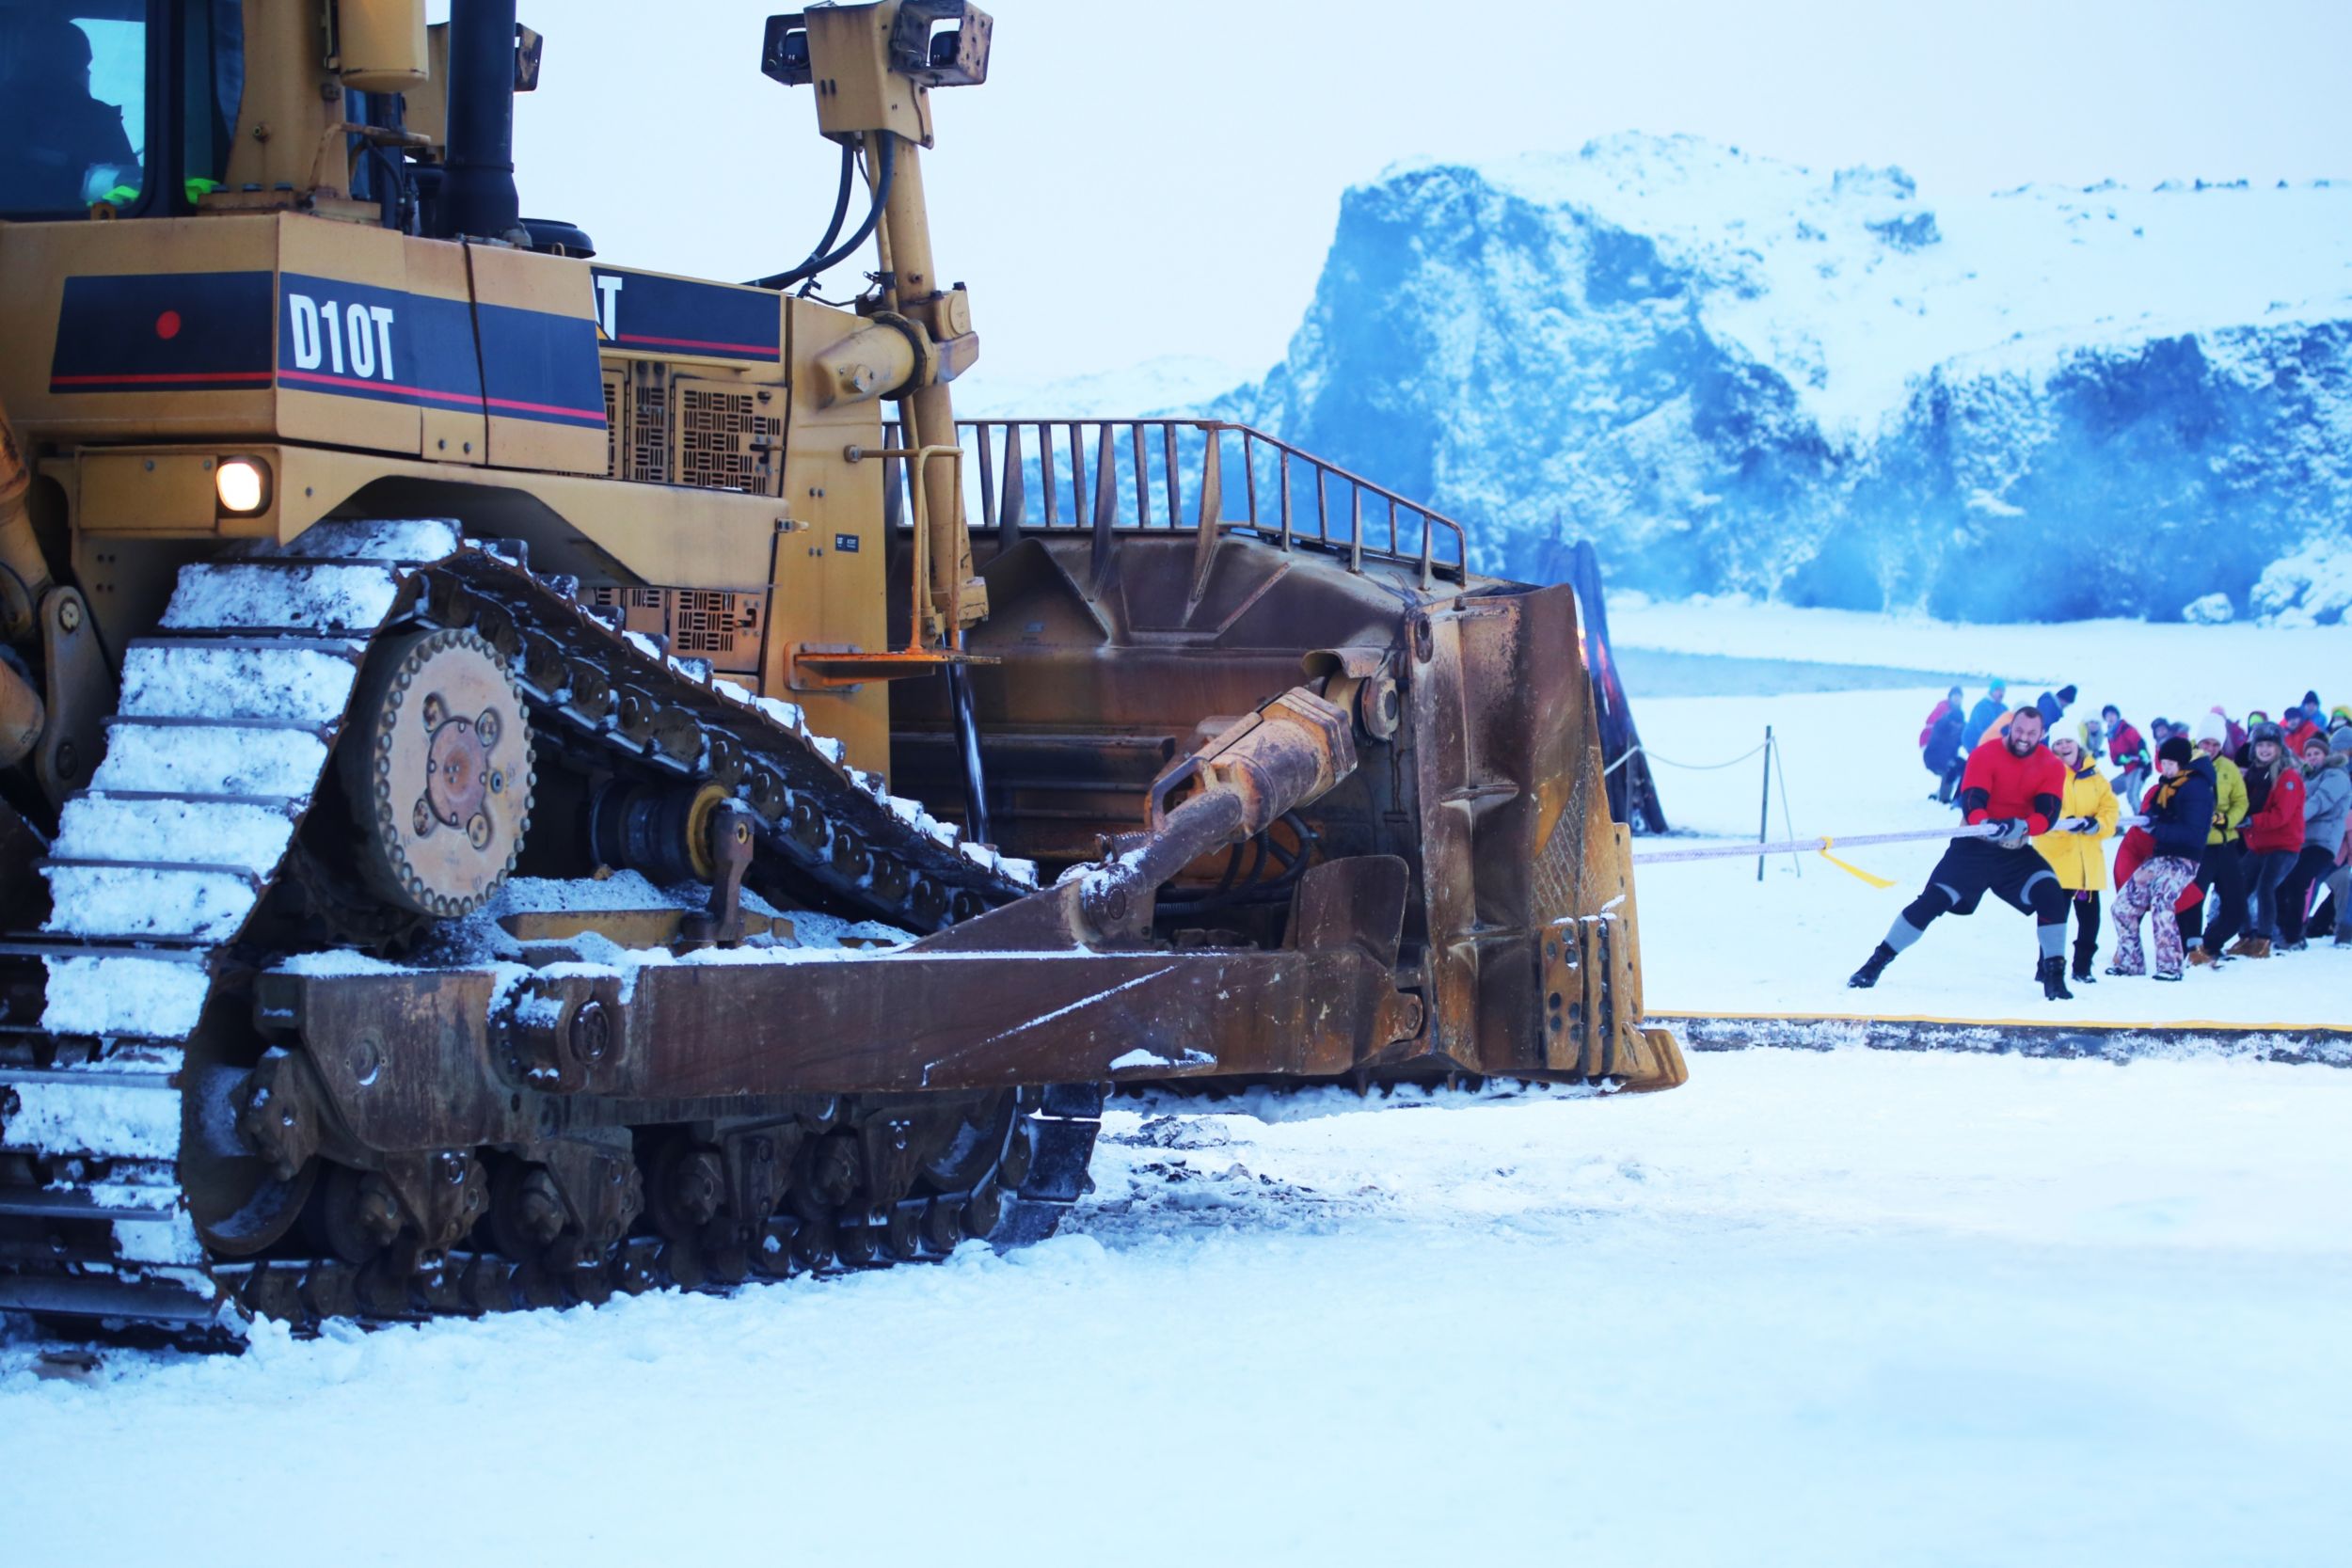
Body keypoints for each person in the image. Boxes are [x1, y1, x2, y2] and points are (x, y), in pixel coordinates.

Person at [1849, 705, 2073, 1001]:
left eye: (2032, 733)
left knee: (2051, 894)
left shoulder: (2051, 766)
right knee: (1931, 902)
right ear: (2010, 727)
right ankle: (1876, 962)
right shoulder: (1984, 755)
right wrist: (1987, 824)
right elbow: (1972, 802)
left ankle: (2054, 977)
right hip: (1972, 848)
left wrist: (2021, 826)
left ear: (2041, 734)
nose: (2024, 737)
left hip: (2015, 852)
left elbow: (2048, 815)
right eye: (2019, 730)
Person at [0, 15, 139, 212]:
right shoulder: (96, 119)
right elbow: (128, 187)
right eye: (84, 66)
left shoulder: (6, 106)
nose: (89, 73)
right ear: (73, 67)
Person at [2109, 736, 2216, 982]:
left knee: (2162, 903)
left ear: (2183, 763)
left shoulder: (2197, 788)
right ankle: (2130, 962)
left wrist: (2156, 828)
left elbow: (2194, 832)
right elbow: (2155, 815)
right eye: (2163, 763)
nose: (2165, 768)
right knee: (2122, 906)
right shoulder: (2167, 786)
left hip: (2184, 860)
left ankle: (2170, 966)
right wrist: (2147, 819)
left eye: (2170, 764)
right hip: (2159, 857)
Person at [2033, 733, 2122, 983]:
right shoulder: (2044, 772)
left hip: (2087, 864)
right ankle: (2046, 968)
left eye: (2068, 740)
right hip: (2056, 861)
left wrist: (2098, 824)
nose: (2064, 746)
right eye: (2059, 742)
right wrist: (2063, 823)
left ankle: (2082, 968)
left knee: (2090, 920)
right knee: (2054, 920)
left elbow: (2110, 808)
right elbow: (2037, 811)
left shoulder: (2095, 775)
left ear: (2077, 744)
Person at [2233, 721, 2306, 958]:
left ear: (2279, 748)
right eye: (2260, 745)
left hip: (2284, 845)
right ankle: (2246, 937)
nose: (2264, 750)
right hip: (2260, 844)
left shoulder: (2287, 777)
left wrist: (2251, 821)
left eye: (2270, 745)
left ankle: (2263, 940)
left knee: (2266, 887)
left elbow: (2281, 815)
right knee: (2239, 885)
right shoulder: (2255, 776)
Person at [2183, 710, 2250, 966]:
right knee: (2192, 899)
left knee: (2236, 903)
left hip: (2225, 843)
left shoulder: (2229, 768)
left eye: (2215, 744)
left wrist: (2227, 819)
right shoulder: (2185, 763)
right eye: (2205, 742)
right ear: (2197, 741)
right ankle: (2190, 945)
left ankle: (2212, 942)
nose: (2209, 748)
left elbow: (2241, 801)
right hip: (2196, 847)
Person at [2276, 732, 2349, 950]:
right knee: (2284, 880)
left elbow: (2321, 801)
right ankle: (2284, 929)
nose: (2312, 757)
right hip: (2304, 840)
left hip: (2324, 842)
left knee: (2299, 880)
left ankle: (2294, 933)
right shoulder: (2307, 777)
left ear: (2326, 754)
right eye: (2308, 753)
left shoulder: (2336, 776)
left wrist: (2291, 818)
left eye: (2316, 753)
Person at [1923, 699, 1966, 804]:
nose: (1958, 727)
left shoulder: (1961, 728)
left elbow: (1965, 740)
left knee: (1966, 767)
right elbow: (1938, 750)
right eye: (1956, 724)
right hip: (1933, 759)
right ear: (1951, 722)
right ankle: (1944, 799)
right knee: (1950, 770)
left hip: (1950, 757)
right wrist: (1950, 761)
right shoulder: (1941, 728)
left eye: (1959, 725)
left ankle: (1960, 796)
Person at [2106, 705, 2151, 802]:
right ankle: (2113, 815)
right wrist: (2121, 759)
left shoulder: (2126, 729)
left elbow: (2139, 742)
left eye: (2112, 715)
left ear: (2117, 716)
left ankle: (2142, 816)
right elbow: (2114, 759)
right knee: (2107, 791)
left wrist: (2143, 754)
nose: (2110, 718)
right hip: (2128, 771)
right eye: (2107, 716)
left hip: (2139, 767)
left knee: (2132, 795)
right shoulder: (2110, 736)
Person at [1963, 680, 2008, 752]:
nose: (2001, 693)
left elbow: (2007, 727)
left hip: (1990, 743)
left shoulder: (2003, 708)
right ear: (1991, 691)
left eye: (2003, 690)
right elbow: (1986, 728)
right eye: (1998, 690)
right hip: (1974, 742)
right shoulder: (1983, 706)